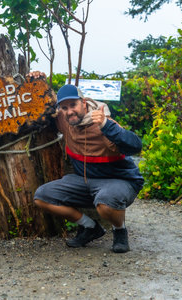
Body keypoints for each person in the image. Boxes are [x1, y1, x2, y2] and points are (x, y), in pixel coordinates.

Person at [31, 72, 143, 253]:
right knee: (42, 197)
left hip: (120, 180)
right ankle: (90, 227)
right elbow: (44, 101)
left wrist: (107, 126)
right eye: (64, 108)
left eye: (73, 105)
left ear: (83, 103)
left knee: (105, 203)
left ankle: (119, 231)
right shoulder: (65, 120)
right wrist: (37, 80)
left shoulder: (103, 122)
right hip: (85, 180)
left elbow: (135, 146)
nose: (69, 111)